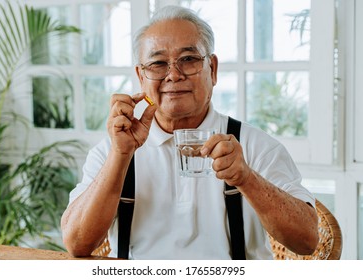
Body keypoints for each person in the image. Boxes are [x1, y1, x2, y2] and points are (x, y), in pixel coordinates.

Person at [61, 5, 318, 260]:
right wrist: (120, 155)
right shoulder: (113, 149)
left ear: (213, 69)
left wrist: (247, 178)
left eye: (188, 59)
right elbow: (77, 243)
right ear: (141, 77)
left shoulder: (254, 145)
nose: (173, 75)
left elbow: (307, 241)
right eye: (158, 63)